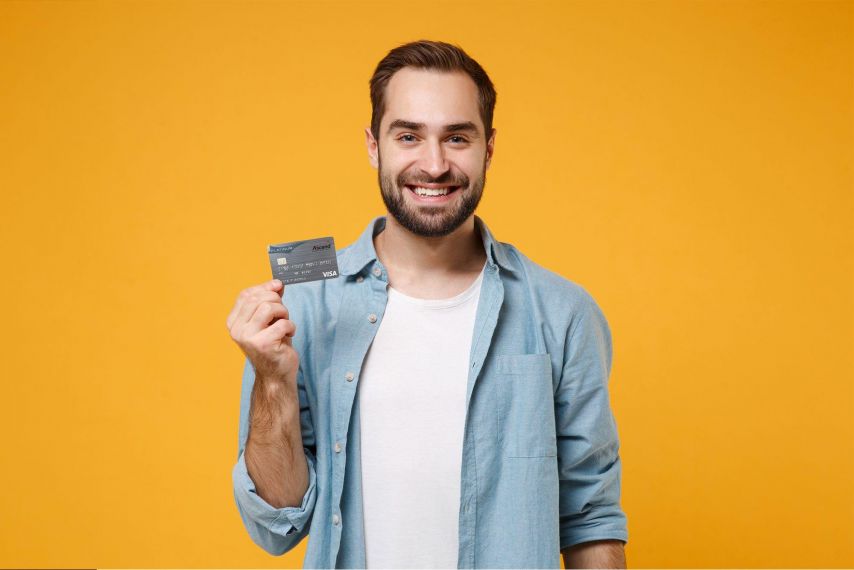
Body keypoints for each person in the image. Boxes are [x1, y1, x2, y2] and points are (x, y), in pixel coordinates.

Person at [227, 39, 628, 569]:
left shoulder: (561, 313)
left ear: (488, 148)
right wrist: (272, 380)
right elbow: (277, 522)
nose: (434, 165)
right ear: (374, 146)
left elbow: (592, 521)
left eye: (457, 137)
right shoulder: (305, 308)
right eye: (409, 136)